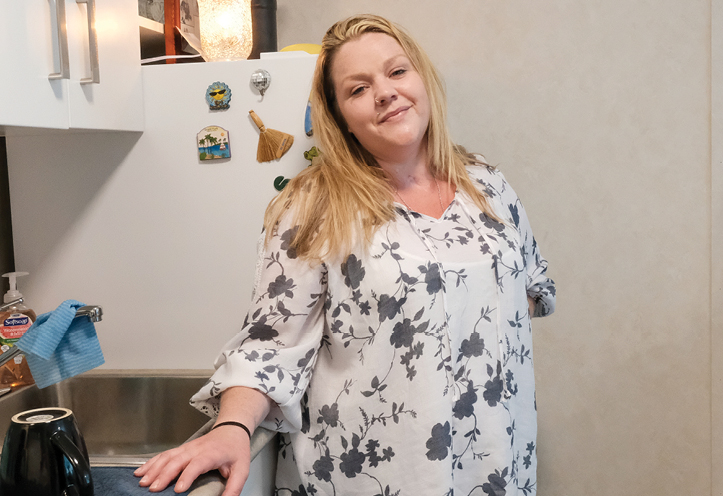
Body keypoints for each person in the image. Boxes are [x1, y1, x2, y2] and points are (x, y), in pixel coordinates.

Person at [135, 13, 556, 496]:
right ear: (340, 121)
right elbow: (272, 343)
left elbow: (530, 291)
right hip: (373, 474)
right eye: (358, 89)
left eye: (397, 72)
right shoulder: (314, 205)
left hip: (496, 465)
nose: (385, 92)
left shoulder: (487, 185)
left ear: (422, 80)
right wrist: (232, 427)